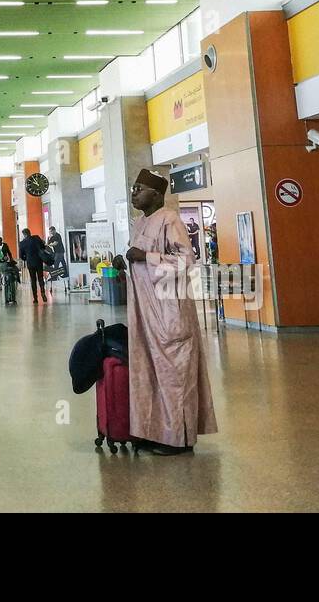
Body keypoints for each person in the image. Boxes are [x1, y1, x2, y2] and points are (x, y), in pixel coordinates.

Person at [124, 168, 218, 456]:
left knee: (175, 375)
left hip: (169, 312)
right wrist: (124, 261)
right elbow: (138, 261)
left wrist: (146, 256)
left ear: (156, 193)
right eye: (133, 188)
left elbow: (186, 261)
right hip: (145, 314)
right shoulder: (141, 223)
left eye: (139, 189)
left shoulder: (170, 219)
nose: (134, 194)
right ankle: (154, 431)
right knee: (149, 373)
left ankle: (180, 438)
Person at [18, 227, 50, 304]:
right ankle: (43, 293)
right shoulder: (36, 238)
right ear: (30, 233)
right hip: (38, 261)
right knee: (40, 278)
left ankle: (35, 298)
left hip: (30, 263)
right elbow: (43, 247)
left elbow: (21, 256)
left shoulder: (22, 243)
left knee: (33, 280)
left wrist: (26, 257)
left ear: (24, 234)